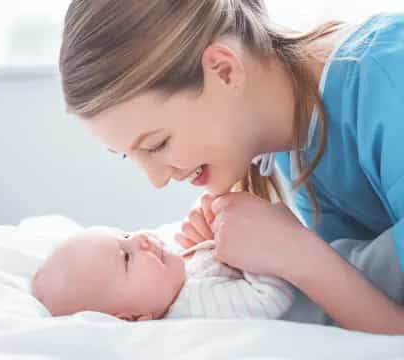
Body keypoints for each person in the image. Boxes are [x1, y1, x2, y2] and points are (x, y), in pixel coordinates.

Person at [58, 0, 404, 334]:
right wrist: (231, 268)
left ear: (223, 70)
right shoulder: (289, 144)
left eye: (157, 144)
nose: (157, 180)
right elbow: (375, 287)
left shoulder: (389, 83)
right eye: (128, 155)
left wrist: (301, 256)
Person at [31, 226, 293, 320]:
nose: (140, 239)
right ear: (131, 319)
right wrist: (251, 248)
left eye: (125, 234)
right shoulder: (196, 306)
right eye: (126, 257)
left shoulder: (173, 279)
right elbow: (272, 297)